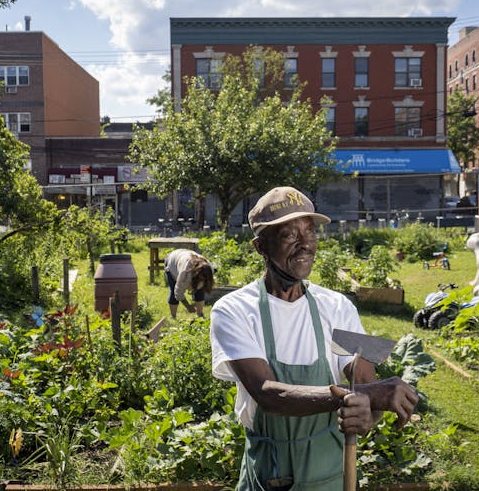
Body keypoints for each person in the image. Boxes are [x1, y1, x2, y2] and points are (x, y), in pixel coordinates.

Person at [210, 186, 419, 490]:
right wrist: (362, 395)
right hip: (270, 474)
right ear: (260, 247)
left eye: (310, 232)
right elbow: (268, 394)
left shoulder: (338, 306)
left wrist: (366, 414)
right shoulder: (233, 310)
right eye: (288, 235)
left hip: (331, 472)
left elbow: (364, 383)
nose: (304, 244)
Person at [164, 248, 214, 318]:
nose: (204, 280)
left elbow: (203, 286)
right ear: (197, 274)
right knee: (173, 291)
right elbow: (178, 292)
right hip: (172, 261)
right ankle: (173, 316)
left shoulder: (209, 268)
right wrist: (188, 306)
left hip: (184, 254)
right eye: (202, 278)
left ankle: (200, 315)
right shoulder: (186, 273)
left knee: (200, 291)